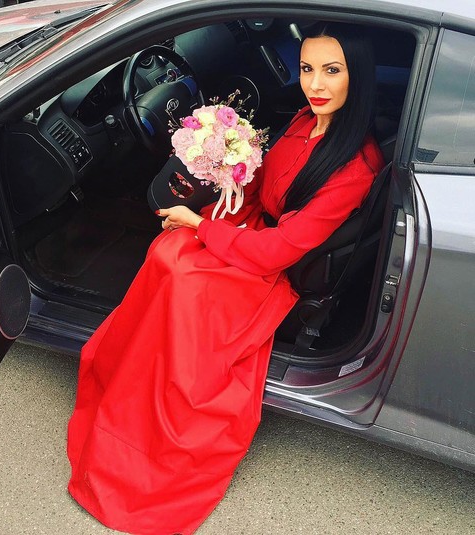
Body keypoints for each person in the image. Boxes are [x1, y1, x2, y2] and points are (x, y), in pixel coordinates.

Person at [67, 22, 385, 535]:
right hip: (255, 225)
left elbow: (282, 248)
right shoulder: (306, 118)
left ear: (358, 75)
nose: (315, 84)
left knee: (183, 270)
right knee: (170, 250)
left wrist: (201, 226)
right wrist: (224, 166)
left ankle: (154, 409)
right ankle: (137, 374)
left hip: (273, 264)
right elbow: (267, 179)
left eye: (332, 70)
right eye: (307, 68)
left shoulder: (355, 166)